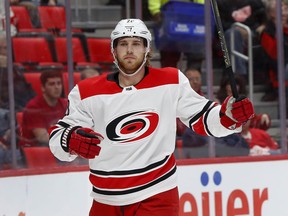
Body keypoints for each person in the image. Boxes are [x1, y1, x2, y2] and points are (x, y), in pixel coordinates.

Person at [48, 19, 254, 215]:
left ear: (147, 49)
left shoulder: (170, 81)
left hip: (157, 195)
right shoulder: (86, 92)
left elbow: (203, 117)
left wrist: (228, 116)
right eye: (123, 44)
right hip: (105, 201)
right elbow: (58, 139)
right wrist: (70, 139)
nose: (129, 50)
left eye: (136, 44)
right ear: (113, 50)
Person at [148, 0, 205, 69]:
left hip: (190, 17)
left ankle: (193, 77)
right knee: (169, 58)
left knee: (195, 56)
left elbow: (201, 2)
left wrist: (201, 9)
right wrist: (156, 11)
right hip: (169, 17)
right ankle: (169, 77)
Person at [21, 70, 67, 147]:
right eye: (52, 84)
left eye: (59, 83)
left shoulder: (64, 104)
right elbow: (42, 138)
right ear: (43, 88)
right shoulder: (34, 107)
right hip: (35, 151)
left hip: (58, 148)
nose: (57, 87)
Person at [259, 0, 288, 101]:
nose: (284, 12)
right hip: (277, 72)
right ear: (272, 13)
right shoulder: (268, 32)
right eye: (280, 9)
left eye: (285, 9)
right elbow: (273, 55)